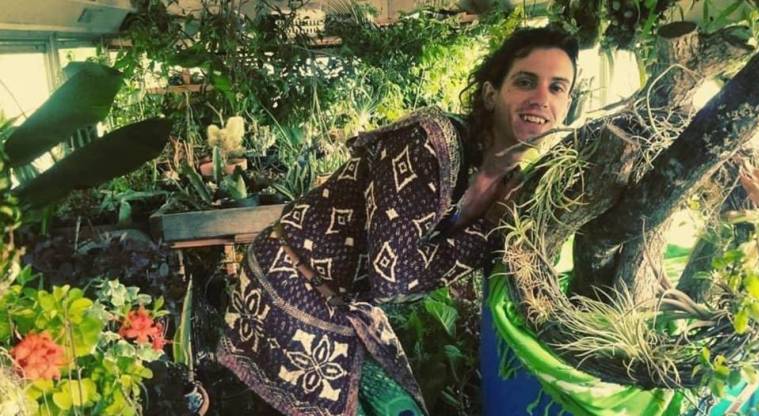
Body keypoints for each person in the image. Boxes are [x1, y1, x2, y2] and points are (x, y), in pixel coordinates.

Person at [217, 26, 578, 416]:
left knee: (399, 408)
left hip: (347, 302)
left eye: (557, 88)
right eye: (526, 82)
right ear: (491, 94)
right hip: (290, 282)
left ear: (568, 104)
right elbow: (394, 279)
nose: (541, 98)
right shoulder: (430, 144)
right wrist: (490, 228)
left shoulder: (513, 183)